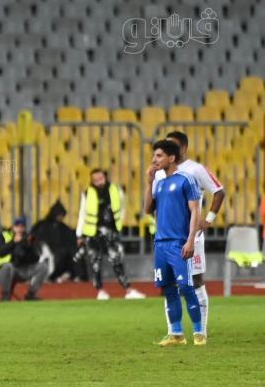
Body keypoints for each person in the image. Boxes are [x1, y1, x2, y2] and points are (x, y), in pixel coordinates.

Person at [155, 130, 225, 340]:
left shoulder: (196, 170)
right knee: (168, 285)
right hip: (166, 238)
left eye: (173, 146)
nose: (169, 151)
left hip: (189, 237)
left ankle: (200, 330)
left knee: (194, 281)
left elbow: (219, 191)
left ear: (182, 148)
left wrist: (209, 219)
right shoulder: (160, 173)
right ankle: (173, 331)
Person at [145, 139, 204, 346]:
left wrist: (190, 241)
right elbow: (147, 209)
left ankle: (199, 332)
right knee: (168, 289)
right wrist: (148, 182)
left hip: (179, 243)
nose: (154, 160)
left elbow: (195, 211)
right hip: (160, 244)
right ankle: (177, 334)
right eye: (154, 156)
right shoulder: (159, 183)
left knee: (186, 288)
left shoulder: (186, 180)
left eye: (159, 156)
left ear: (171, 158)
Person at [76, 169, 146, 300]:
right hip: (93, 233)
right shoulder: (87, 193)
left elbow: (123, 205)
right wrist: (79, 234)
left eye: (100, 178)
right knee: (95, 263)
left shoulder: (115, 190)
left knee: (117, 261)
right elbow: (82, 213)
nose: (98, 181)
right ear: (91, 181)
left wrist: (120, 221)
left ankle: (128, 290)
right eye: (95, 179)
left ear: (105, 177)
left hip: (111, 232)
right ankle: (100, 291)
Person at [0, 217, 51, 300]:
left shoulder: (27, 238)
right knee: (8, 266)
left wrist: (29, 246)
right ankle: (5, 296)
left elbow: (35, 258)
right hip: (1, 271)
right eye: (17, 226)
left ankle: (31, 294)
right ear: (13, 227)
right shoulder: (4, 236)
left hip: (20, 270)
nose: (19, 229)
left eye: (22, 226)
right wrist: (14, 242)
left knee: (43, 266)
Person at [31, 201, 81, 282]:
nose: (61, 217)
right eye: (60, 215)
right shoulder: (42, 225)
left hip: (60, 253)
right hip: (45, 253)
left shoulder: (63, 227)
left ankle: (72, 275)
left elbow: (71, 238)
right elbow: (34, 238)